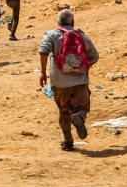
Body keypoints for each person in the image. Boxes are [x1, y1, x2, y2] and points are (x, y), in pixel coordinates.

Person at [38, 9, 100, 152]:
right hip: (80, 82)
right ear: (72, 22)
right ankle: (78, 116)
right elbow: (94, 56)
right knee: (83, 107)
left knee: (63, 111)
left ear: (58, 22)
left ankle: (67, 141)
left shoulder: (51, 35)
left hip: (59, 83)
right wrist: (80, 67)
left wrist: (42, 73)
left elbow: (43, 52)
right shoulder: (82, 36)